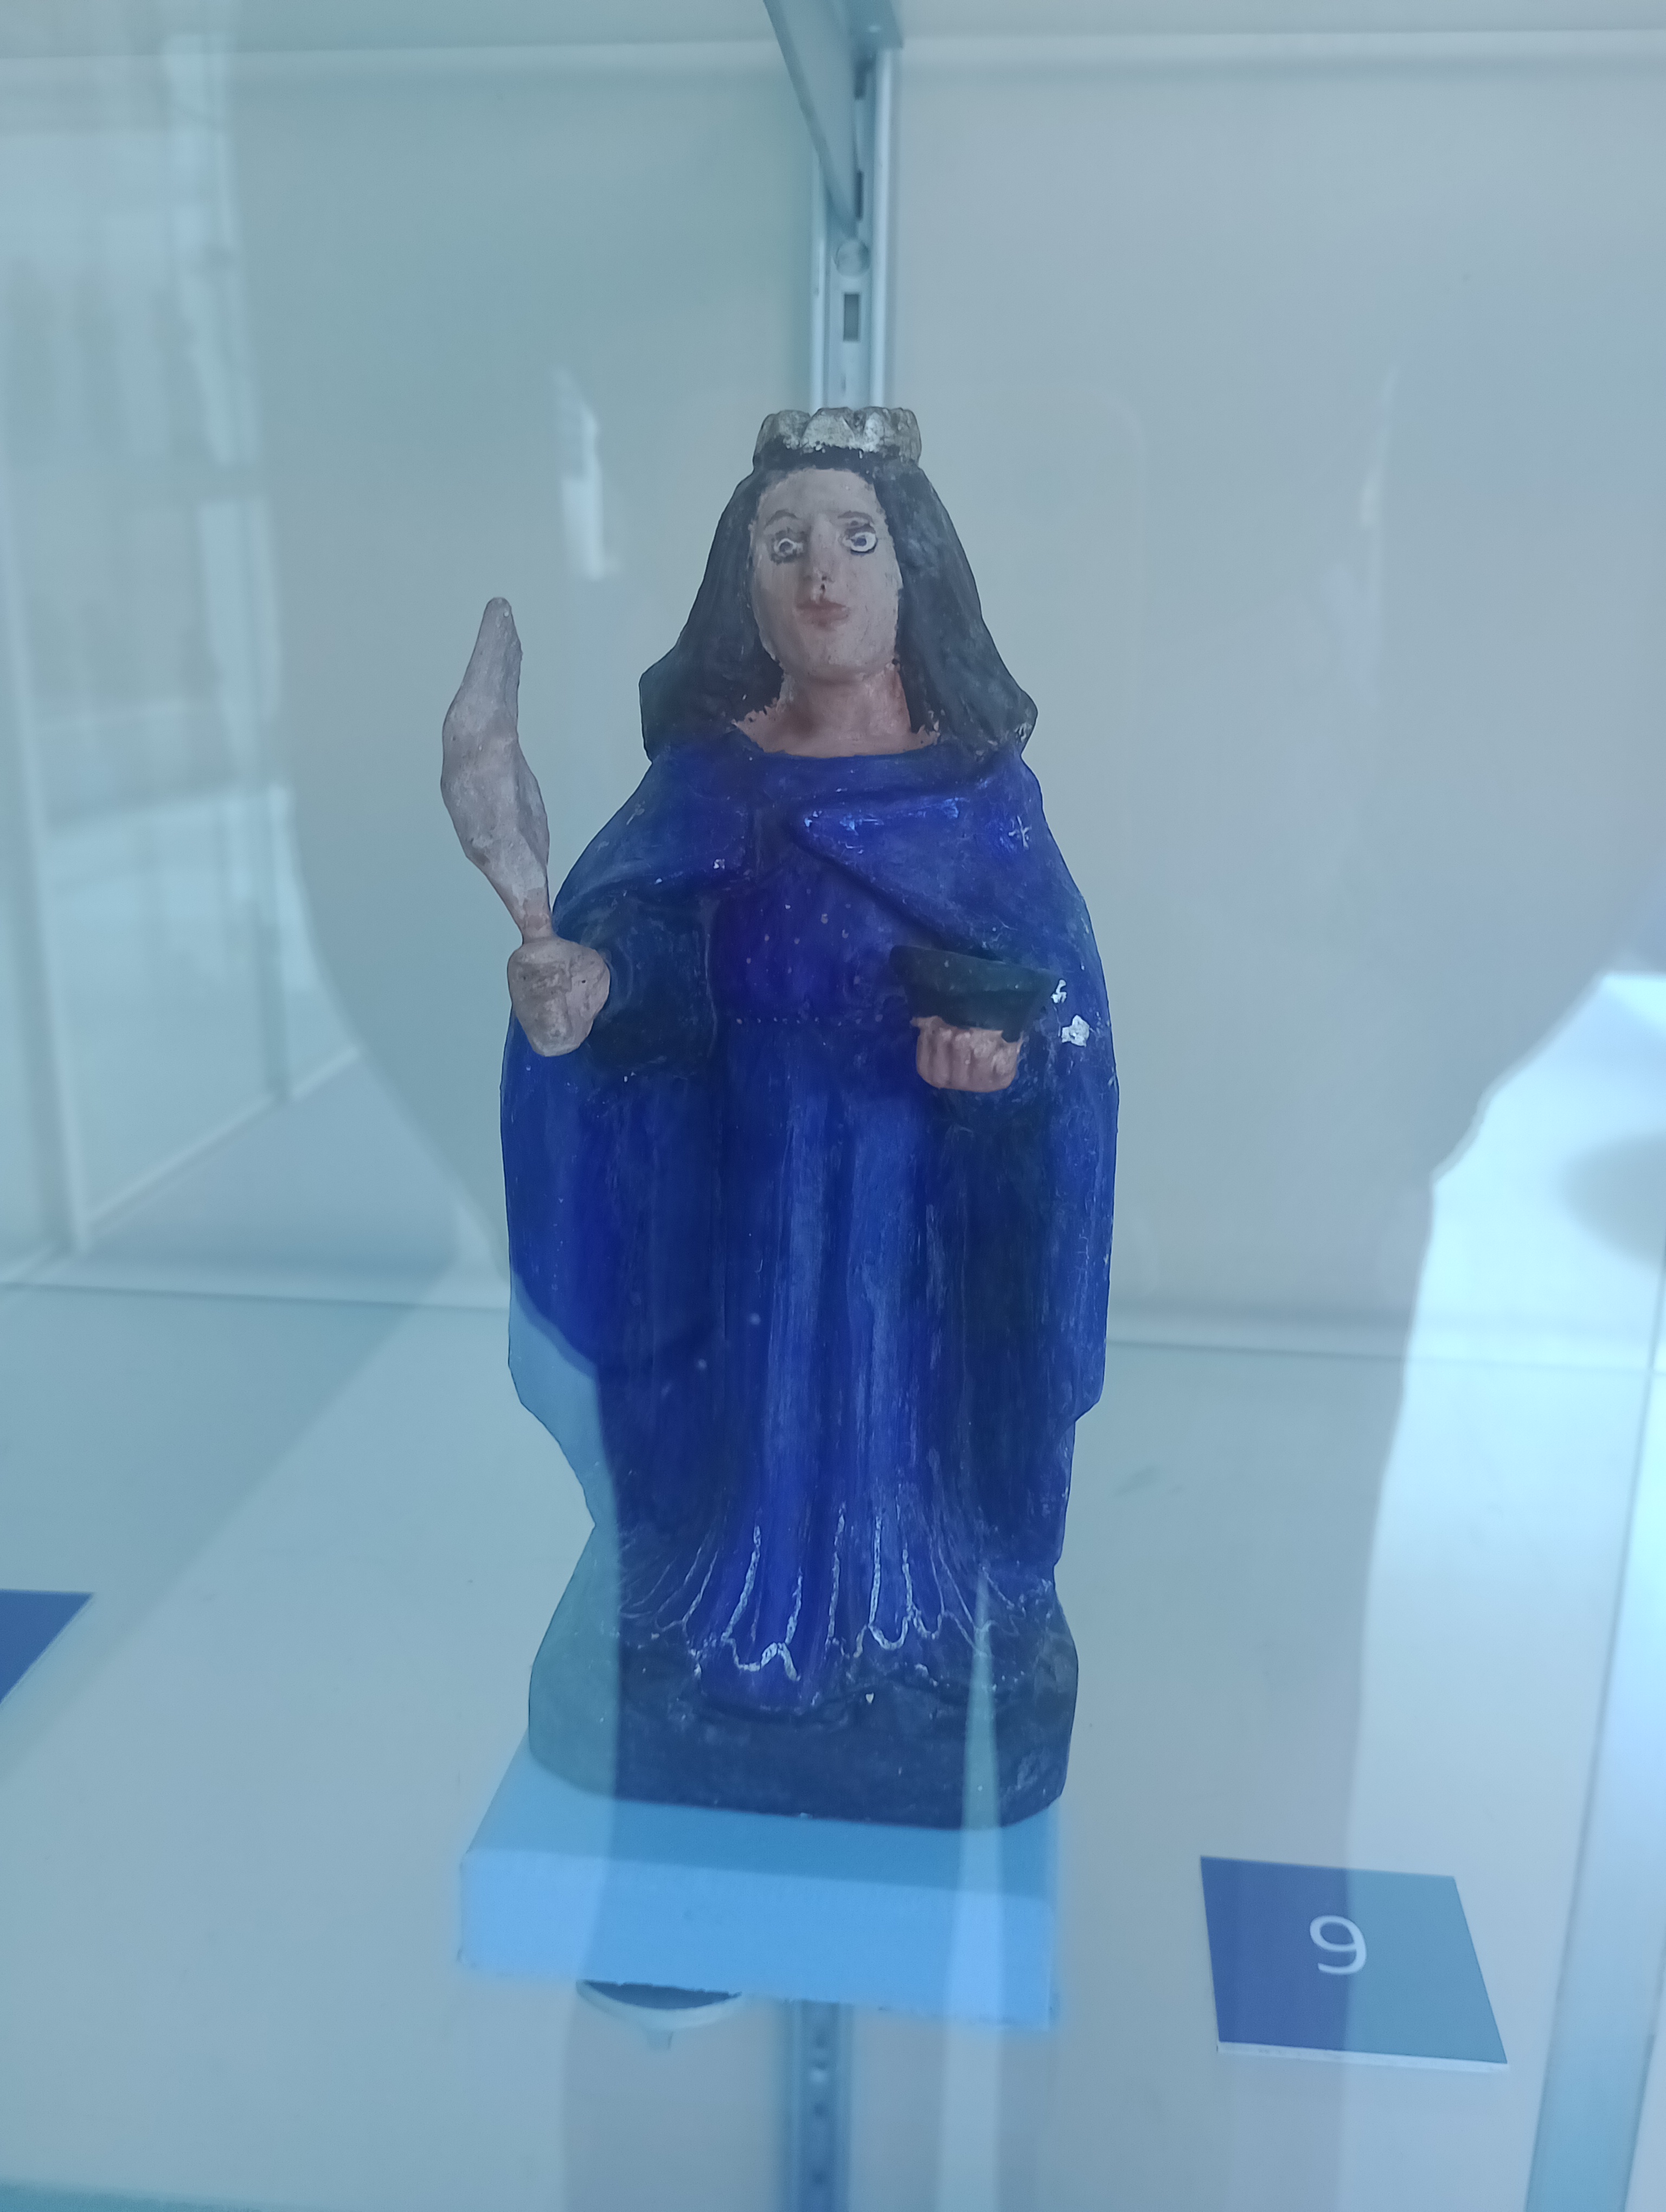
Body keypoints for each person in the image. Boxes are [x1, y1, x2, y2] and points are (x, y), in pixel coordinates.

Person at [443, 406, 1117, 1826]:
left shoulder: (981, 801)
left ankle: (908, 1619)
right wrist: (588, 988)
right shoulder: (705, 783)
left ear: (914, 568)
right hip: (747, 1175)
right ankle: (730, 1616)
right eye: (784, 541)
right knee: (752, 1409)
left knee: (882, 1399)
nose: (823, 575)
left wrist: (1002, 1076)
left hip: (909, 1201)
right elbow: (647, 973)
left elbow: (1062, 1028)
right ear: (738, 580)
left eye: (858, 539)